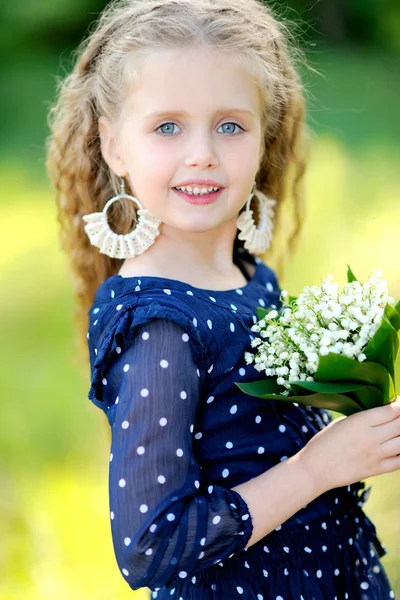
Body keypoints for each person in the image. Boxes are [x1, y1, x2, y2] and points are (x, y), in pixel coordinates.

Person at [45, 0, 400, 598]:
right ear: (114, 146)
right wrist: (317, 468)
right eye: (167, 126)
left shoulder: (249, 276)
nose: (203, 152)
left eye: (230, 125)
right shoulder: (159, 324)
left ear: (265, 139)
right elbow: (151, 545)